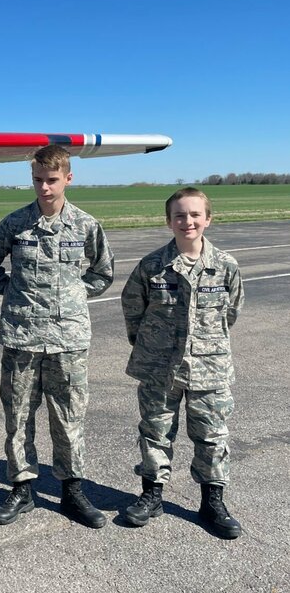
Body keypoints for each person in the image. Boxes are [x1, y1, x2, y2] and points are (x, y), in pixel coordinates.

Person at [0, 144, 113, 529]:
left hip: (68, 338)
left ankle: (72, 489)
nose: (44, 188)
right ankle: (22, 488)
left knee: (69, 417)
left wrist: (71, 296)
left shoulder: (86, 225)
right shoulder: (15, 223)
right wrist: (13, 292)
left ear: (68, 178)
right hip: (22, 336)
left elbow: (102, 273)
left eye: (52, 180)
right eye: (38, 179)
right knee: (18, 416)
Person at [121, 187, 244, 539]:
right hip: (160, 366)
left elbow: (231, 313)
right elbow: (134, 311)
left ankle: (212, 502)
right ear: (168, 221)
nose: (187, 221)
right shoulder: (152, 266)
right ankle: (151, 495)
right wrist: (152, 347)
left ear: (207, 219)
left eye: (194, 215)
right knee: (155, 431)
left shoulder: (226, 267)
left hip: (210, 366)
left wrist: (204, 344)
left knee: (211, 435)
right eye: (179, 215)